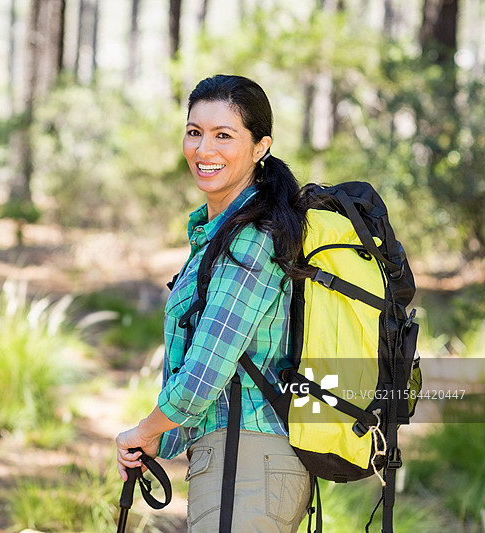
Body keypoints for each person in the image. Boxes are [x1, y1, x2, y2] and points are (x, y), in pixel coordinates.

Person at [115, 74, 312, 533]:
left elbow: (204, 376)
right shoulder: (219, 231)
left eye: (224, 135)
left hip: (246, 464)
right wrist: (159, 442)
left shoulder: (251, 238)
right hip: (239, 461)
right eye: (195, 132)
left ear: (261, 146)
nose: (204, 150)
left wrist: (144, 431)